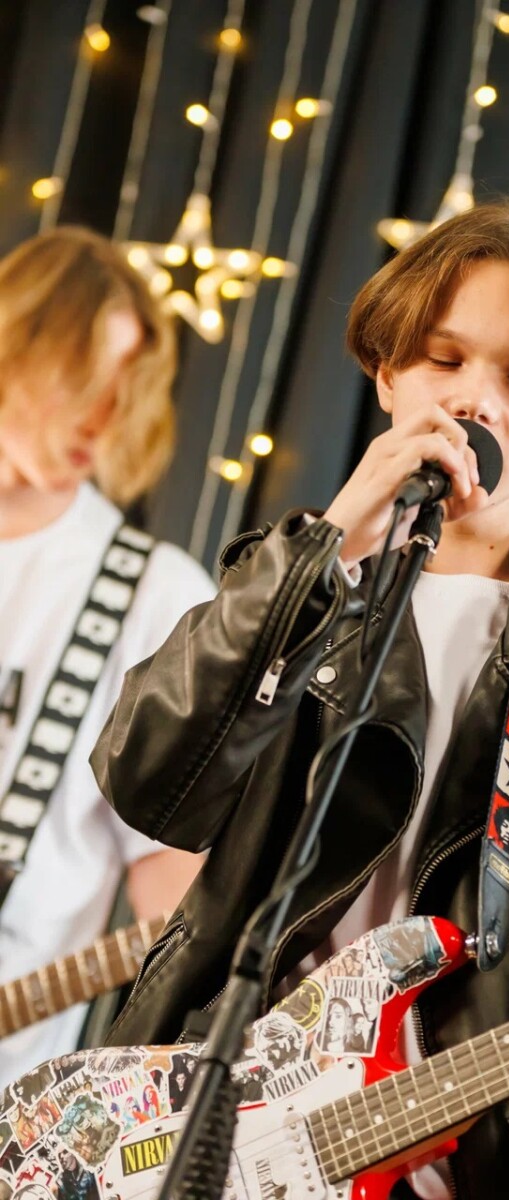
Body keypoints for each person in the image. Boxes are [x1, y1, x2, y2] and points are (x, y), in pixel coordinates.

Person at [92, 198, 509, 1200]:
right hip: (235, 1147)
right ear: (386, 375)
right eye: (442, 359)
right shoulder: (290, 587)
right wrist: (326, 552)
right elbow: (149, 782)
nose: (472, 400)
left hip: (490, 1157)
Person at [0, 226, 215, 1091]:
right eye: (83, 383)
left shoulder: (151, 598)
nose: (102, 420)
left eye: (126, 392)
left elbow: (174, 901)